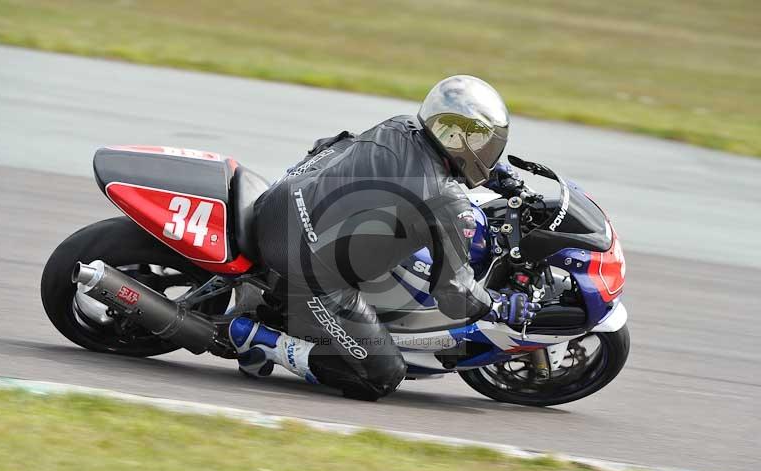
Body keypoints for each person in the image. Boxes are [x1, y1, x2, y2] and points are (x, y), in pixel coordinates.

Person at [229, 75, 539, 401]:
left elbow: (332, 145)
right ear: (457, 139)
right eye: (482, 144)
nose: (487, 151)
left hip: (275, 206)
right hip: (306, 266)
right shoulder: (446, 201)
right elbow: (454, 294)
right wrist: (499, 306)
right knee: (381, 376)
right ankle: (258, 340)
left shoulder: (400, 126)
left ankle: (276, 304)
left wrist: (499, 176)